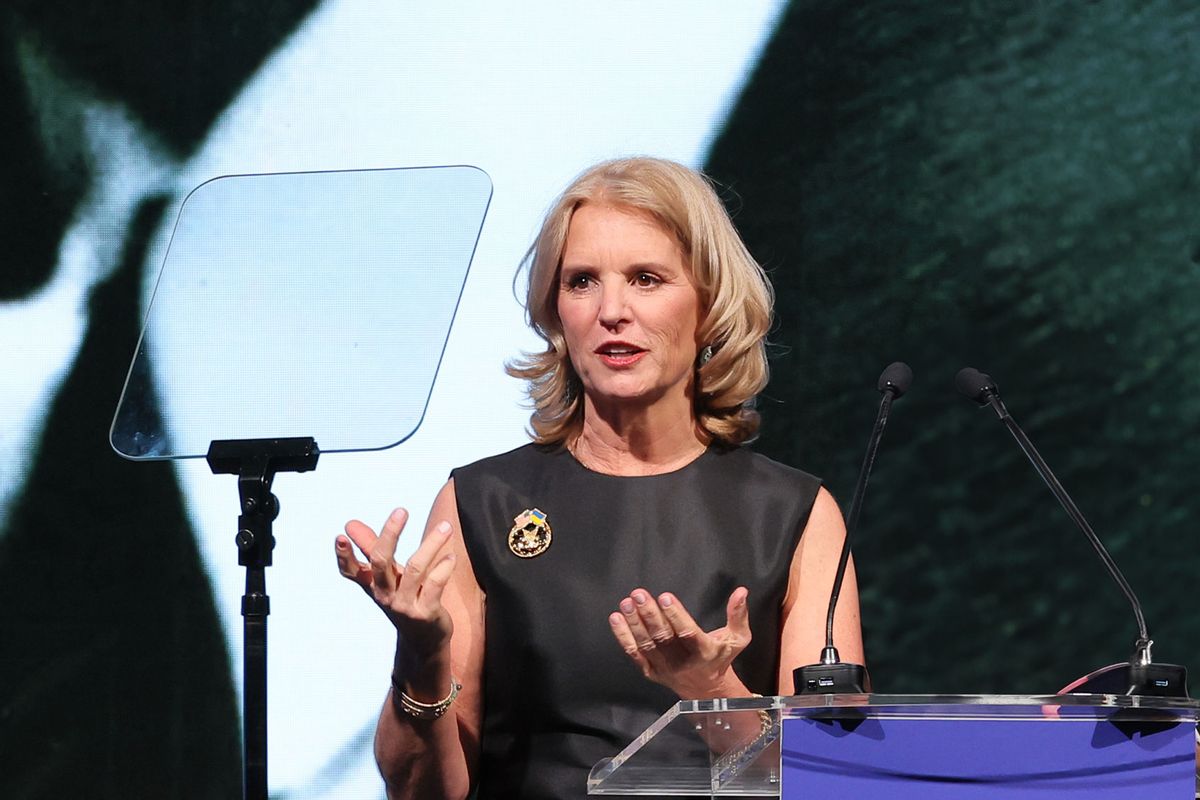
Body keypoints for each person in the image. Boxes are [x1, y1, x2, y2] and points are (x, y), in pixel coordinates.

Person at [334, 156, 864, 799]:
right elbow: (421, 792)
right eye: (582, 281)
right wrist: (421, 655)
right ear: (557, 313)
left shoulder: (797, 514)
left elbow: (833, 783)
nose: (612, 310)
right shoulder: (482, 504)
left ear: (709, 302)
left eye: (646, 279)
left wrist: (708, 691)